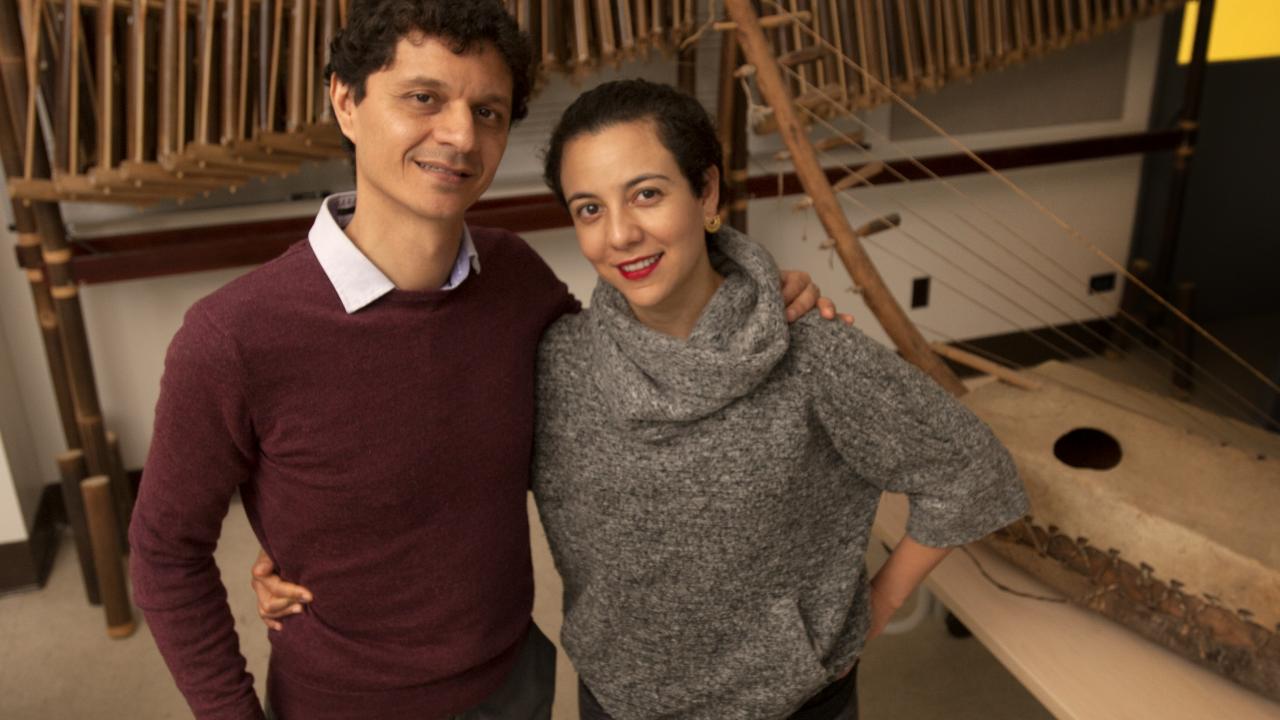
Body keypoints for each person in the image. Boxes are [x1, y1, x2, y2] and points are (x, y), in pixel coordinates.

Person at [129, 3, 837, 719]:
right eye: (424, 98)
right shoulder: (232, 337)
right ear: (345, 101)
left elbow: (630, 372)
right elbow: (165, 554)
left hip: (516, 682)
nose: (461, 136)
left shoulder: (516, 279)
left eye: (489, 111)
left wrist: (746, 293)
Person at [256, 79, 1030, 720]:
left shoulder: (813, 351)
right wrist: (307, 542)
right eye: (590, 208)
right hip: (619, 701)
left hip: (795, 704)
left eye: (648, 193)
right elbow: (443, 473)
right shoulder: (557, 362)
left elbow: (967, 468)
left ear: (709, 194)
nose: (621, 233)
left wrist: (870, 611)